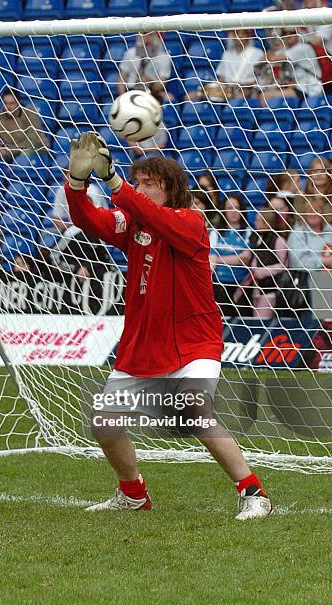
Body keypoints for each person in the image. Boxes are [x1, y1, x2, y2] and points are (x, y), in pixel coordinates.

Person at [65, 132, 272, 520]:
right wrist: (77, 185)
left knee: (195, 408)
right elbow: (89, 220)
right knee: (105, 421)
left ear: (171, 188)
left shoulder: (191, 223)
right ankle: (133, 495)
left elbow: (156, 217)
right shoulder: (135, 224)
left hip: (194, 342)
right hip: (143, 345)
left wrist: (115, 183)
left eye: (148, 183)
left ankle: (254, 492)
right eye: (136, 181)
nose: (139, 188)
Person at [209, 194, 252, 317]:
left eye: (236, 208)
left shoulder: (248, 232)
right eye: (229, 208)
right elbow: (211, 261)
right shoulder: (216, 232)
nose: (233, 212)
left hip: (240, 287)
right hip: (219, 286)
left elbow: (244, 259)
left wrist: (218, 259)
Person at [249, 208, 289, 319]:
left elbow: (284, 266)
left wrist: (262, 272)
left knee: (261, 322)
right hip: (256, 288)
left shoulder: (278, 240)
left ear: (267, 223)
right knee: (254, 321)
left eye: (259, 221)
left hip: (270, 289)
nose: (255, 223)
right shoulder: (256, 237)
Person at [0, 88, 49, 161]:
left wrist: (8, 151)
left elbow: (32, 141)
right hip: (9, 153)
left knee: (24, 157)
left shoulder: (30, 113)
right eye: (5, 103)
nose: (8, 107)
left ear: (18, 102)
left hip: (35, 150)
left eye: (11, 103)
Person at [264, 28, 323, 99]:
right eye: (284, 33)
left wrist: (275, 47)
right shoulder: (287, 49)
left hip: (310, 90)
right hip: (298, 87)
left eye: (292, 33)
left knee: (265, 96)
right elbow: (262, 59)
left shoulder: (302, 47)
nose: (288, 35)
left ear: (298, 34)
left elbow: (272, 59)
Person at [207, 29, 264, 100]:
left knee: (238, 97)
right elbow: (222, 77)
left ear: (248, 36)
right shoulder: (227, 54)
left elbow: (259, 80)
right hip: (228, 89)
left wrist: (241, 86)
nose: (239, 37)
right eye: (236, 34)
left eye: (243, 34)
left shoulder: (258, 53)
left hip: (247, 90)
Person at [118, 32, 172, 102]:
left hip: (151, 92)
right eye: (144, 34)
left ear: (158, 38)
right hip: (130, 90)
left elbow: (160, 85)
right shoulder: (130, 53)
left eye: (151, 34)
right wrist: (123, 99)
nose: (146, 37)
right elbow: (121, 80)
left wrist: (150, 81)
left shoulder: (164, 58)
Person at [288, 196, 332, 274]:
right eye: (309, 211)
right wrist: (324, 261)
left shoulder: (330, 231)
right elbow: (298, 263)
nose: (313, 214)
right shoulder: (297, 234)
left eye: (316, 210)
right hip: (307, 282)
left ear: (322, 212)